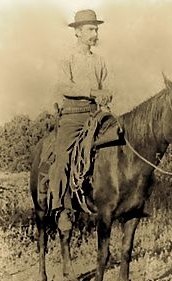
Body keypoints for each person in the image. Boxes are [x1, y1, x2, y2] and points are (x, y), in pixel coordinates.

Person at [48, 9, 112, 211]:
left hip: (96, 113)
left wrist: (106, 96)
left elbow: (106, 85)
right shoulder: (67, 57)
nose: (95, 35)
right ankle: (59, 204)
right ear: (78, 32)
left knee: (119, 142)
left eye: (97, 30)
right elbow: (64, 87)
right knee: (62, 157)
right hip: (73, 116)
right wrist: (93, 91)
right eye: (91, 30)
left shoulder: (99, 60)